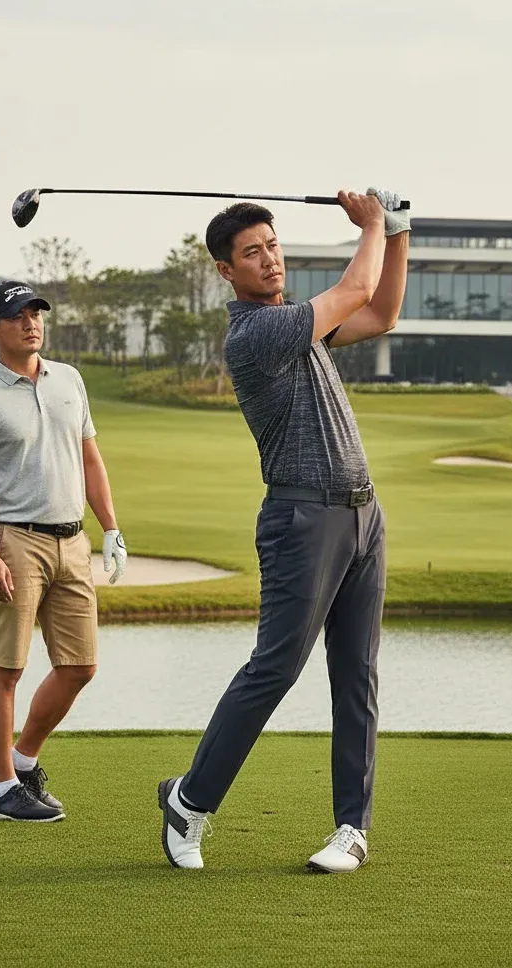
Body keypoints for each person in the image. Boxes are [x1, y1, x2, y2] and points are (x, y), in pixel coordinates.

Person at [158, 188, 410, 872]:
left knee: (357, 674)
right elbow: (357, 282)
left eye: (272, 246)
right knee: (276, 668)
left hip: (362, 516)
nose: (269, 260)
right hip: (304, 518)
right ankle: (190, 801)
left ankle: (351, 829)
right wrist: (373, 226)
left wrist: (401, 230)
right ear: (225, 271)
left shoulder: (303, 325)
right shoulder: (259, 334)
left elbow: (381, 308)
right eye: (252, 253)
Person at [0, 281, 126, 823]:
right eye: (18, 315)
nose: (31, 322)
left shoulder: (69, 380)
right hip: (14, 540)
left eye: (36, 313)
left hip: (72, 540)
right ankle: (2, 790)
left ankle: (22, 760)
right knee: (6, 667)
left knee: (80, 665)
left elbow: (90, 459)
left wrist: (111, 528)